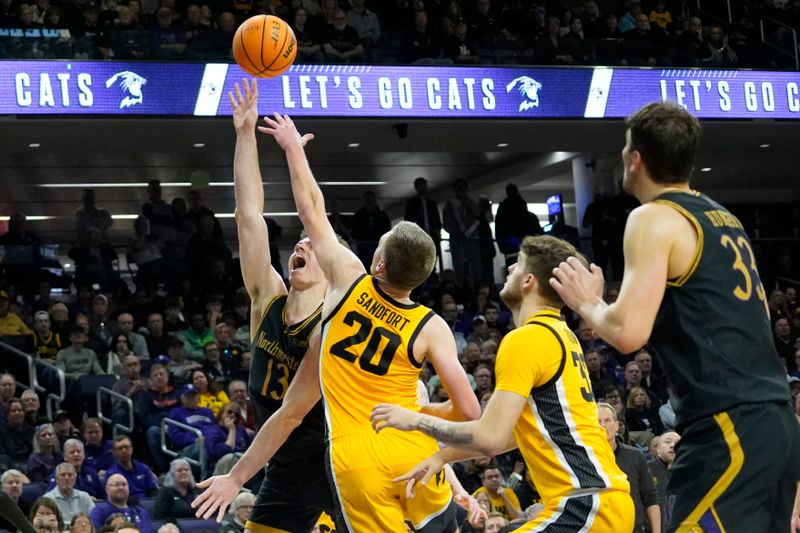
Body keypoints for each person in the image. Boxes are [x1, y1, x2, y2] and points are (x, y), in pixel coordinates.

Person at [550, 101, 800, 532]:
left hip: (730, 423)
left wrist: (587, 302)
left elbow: (628, 334)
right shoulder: (724, 218)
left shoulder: (653, 217)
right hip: (775, 418)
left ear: (635, 159)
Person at [257, 111, 480, 532]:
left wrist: (292, 149)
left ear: (378, 264)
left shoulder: (349, 280)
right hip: (412, 446)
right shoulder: (432, 326)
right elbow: (469, 411)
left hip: (356, 456)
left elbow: (310, 209)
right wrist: (419, 411)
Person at [370, 235, 634, 532]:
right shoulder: (560, 334)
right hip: (601, 502)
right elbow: (513, 435)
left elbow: (489, 437)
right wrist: (443, 456)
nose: (508, 270)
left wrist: (414, 419)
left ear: (528, 281)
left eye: (517, 265)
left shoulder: (526, 338)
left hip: (585, 503)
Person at [191, 79, 335, 533]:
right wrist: (245, 135)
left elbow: (293, 413)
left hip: (335, 457)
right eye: (299, 242)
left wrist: (237, 478)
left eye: (312, 245)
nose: (301, 244)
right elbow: (249, 216)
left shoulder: (330, 319)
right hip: (284, 463)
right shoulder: (267, 297)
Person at [597, 403, 659, 533]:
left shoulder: (635, 456)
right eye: (598, 421)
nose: (602, 425)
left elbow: (650, 497)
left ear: (616, 425)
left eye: (607, 420)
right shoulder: (584, 459)